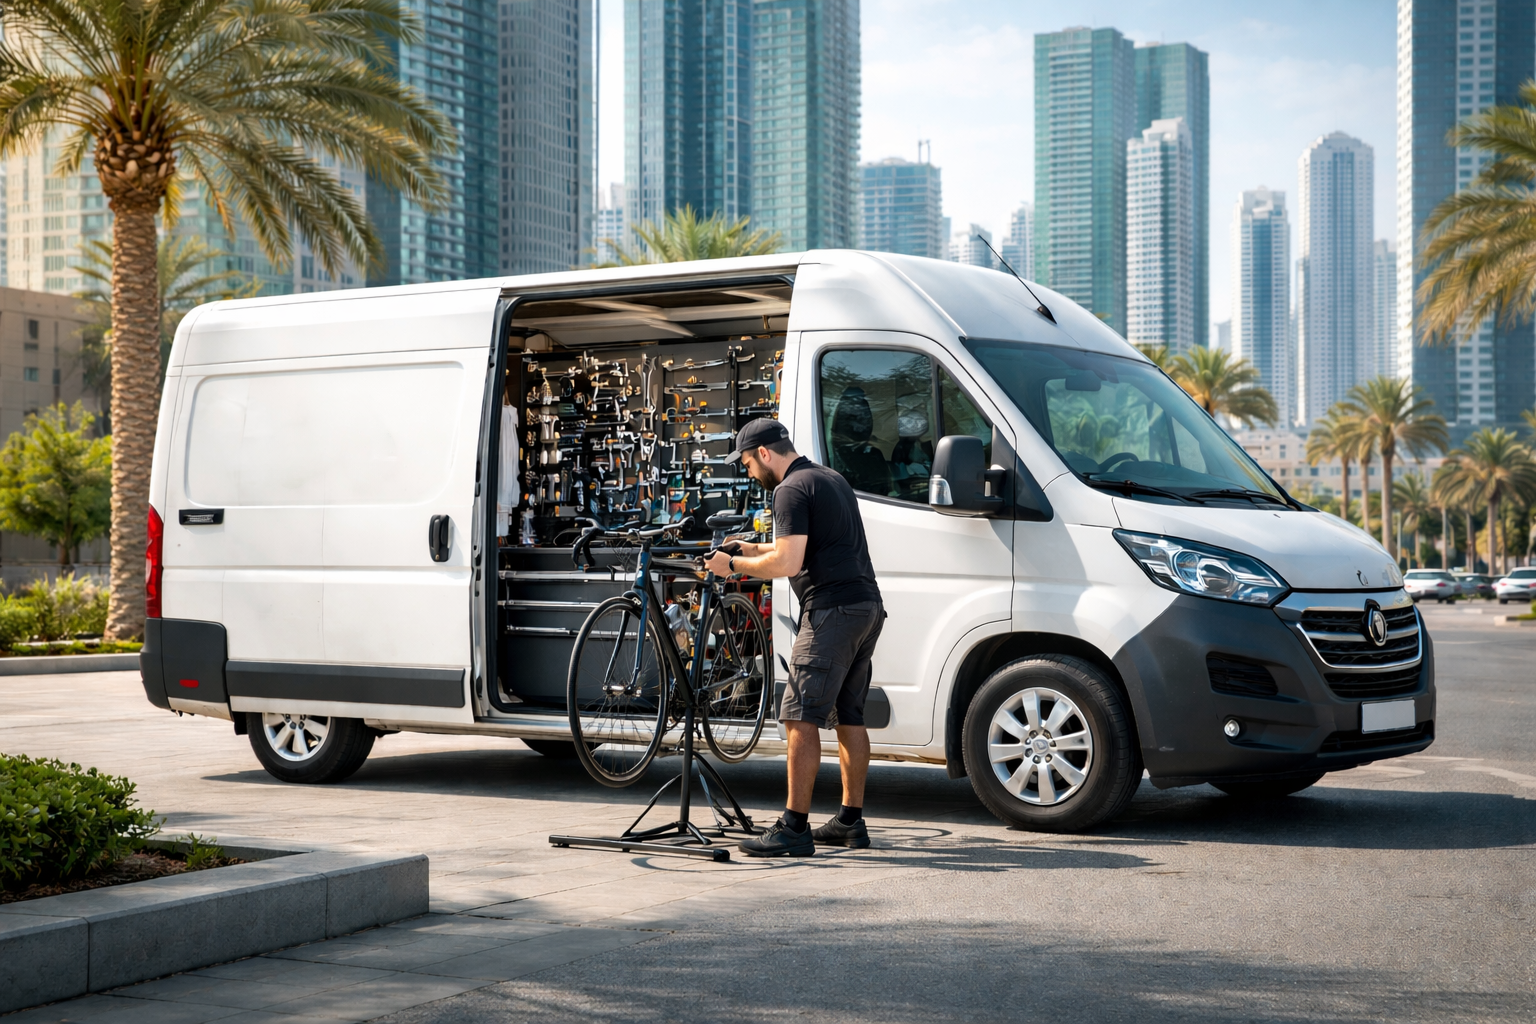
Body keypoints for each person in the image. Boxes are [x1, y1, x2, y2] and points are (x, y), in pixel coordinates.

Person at [702, 417, 884, 857]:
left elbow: (787, 563)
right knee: (849, 716)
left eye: (748, 463)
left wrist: (732, 566)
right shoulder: (827, 478)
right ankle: (850, 822)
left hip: (831, 613)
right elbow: (801, 547)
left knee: (799, 716)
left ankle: (793, 828)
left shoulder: (788, 490)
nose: (749, 472)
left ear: (765, 454)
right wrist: (750, 548)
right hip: (865, 607)